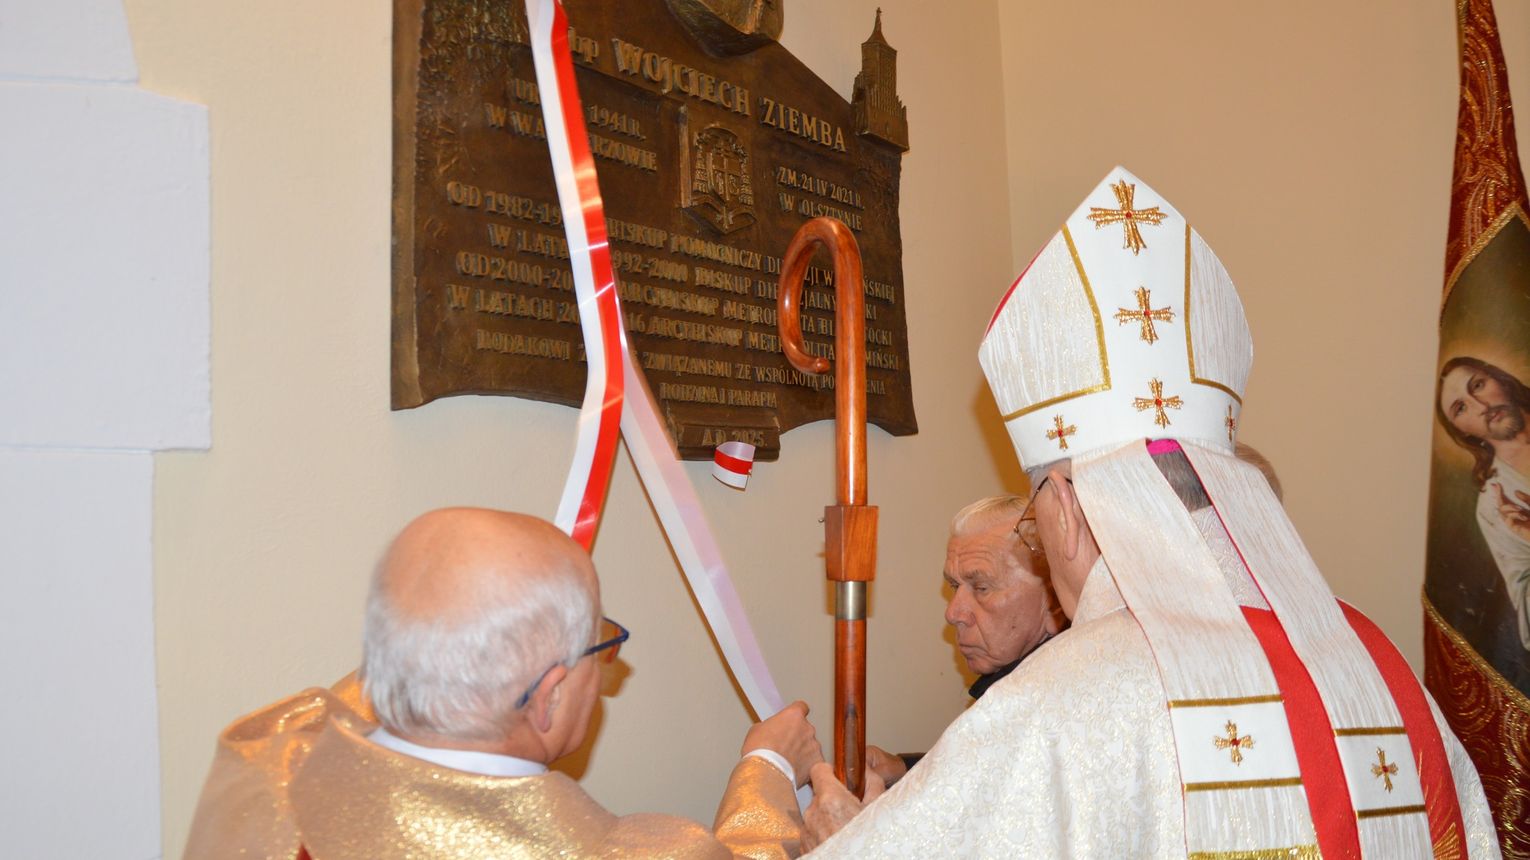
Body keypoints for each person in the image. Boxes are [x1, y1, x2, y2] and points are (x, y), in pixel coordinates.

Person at [801, 167, 1499, 857]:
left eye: (1035, 512)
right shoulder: (1378, 665)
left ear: (1068, 506)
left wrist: (836, 827)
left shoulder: (1064, 708)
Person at [184, 508, 820, 859]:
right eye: (599, 651)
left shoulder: (270, 760)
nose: (604, 672)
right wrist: (766, 764)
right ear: (546, 699)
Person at [864, 495, 1063, 787]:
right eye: (955, 586)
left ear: (1054, 596)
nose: (953, 613)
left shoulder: (1057, 709)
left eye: (981, 587)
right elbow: (984, 773)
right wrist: (907, 770)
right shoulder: (1014, 690)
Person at [1437, 355, 1530, 649]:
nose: (1481, 406)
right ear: (1462, 430)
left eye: (1478, 384)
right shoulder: (1494, 506)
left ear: (1500, 379)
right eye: (1461, 407)